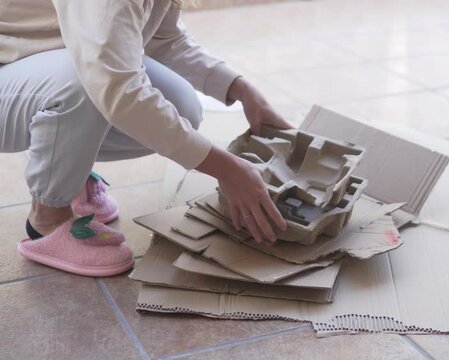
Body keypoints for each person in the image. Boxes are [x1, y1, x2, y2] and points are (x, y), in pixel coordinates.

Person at [0, 0, 289, 277]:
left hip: (30, 57)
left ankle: (66, 168)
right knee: (86, 83)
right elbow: (118, 88)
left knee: (180, 105)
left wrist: (241, 89)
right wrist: (226, 169)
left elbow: (165, 40)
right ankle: (48, 219)